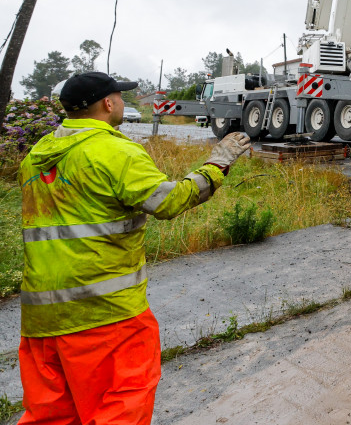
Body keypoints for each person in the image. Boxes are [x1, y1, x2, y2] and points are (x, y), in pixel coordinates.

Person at [17, 71, 251, 424]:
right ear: (108, 103)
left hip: (40, 321)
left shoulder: (35, 156)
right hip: (106, 316)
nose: (123, 103)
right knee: (120, 407)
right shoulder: (115, 151)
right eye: (120, 97)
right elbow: (170, 202)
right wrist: (218, 164)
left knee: (52, 415)